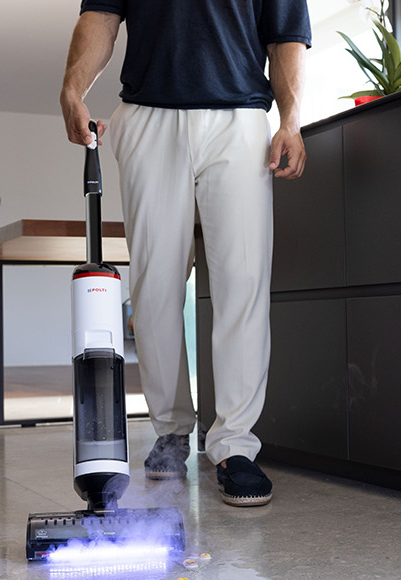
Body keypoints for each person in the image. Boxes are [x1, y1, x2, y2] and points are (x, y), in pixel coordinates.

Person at [60, 0, 310, 507]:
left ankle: (235, 445)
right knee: (154, 287)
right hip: (147, 115)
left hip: (240, 118)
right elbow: (101, 16)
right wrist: (72, 89)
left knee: (243, 281)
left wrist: (291, 119)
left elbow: (285, 34)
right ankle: (171, 430)